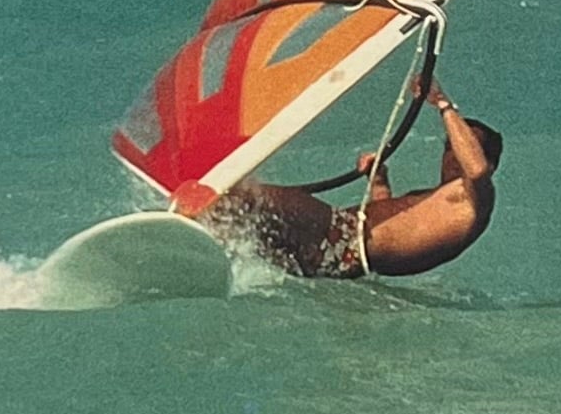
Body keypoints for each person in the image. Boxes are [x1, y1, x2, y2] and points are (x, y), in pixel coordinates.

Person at [204, 82, 501, 280]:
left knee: (250, 197)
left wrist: (443, 104)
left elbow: (476, 170)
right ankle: (201, 245)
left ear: (490, 161)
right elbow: (385, 228)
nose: (453, 155)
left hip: (341, 239)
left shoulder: (477, 201)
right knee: (249, 231)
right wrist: (379, 182)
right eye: (448, 148)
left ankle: (196, 216)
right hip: (339, 252)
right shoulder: (435, 197)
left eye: (463, 146)